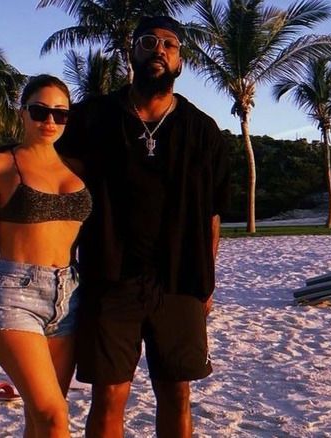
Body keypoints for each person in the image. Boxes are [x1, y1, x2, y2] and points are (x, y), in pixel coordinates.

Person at [53, 16, 233, 438]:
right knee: (110, 396)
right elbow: (41, 157)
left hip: (179, 280)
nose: (159, 50)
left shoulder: (203, 131)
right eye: (149, 42)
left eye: (170, 45)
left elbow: (212, 215)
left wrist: (205, 280)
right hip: (109, 276)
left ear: (180, 62)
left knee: (176, 393)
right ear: (131, 53)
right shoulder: (92, 118)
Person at [0, 74, 92, 438]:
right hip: (13, 294)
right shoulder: (0, 166)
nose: (49, 122)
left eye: (60, 114)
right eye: (39, 111)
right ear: (22, 113)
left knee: (39, 417)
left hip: (70, 296)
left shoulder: (78, 167)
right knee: (55, 416)